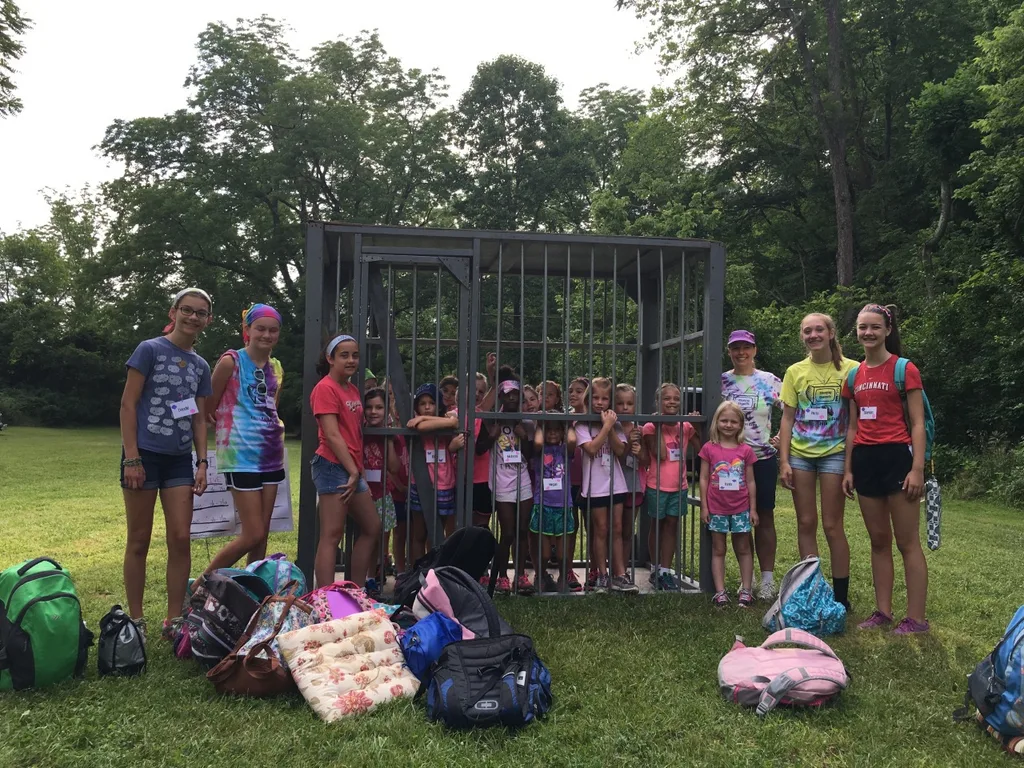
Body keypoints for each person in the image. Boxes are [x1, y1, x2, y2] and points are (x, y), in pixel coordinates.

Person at [119, 287, 213, 643]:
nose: (193, 317)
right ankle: (136, 620)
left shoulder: (201, 366)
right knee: (139, 539)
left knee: (181, 538)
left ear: (208, 320)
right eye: (187, 310)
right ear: (174, 312)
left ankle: (174, 619)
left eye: (200, 313)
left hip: (178, 460)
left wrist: (202, 462)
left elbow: (199, 418)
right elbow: (128, 405)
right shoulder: (149, 350)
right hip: (143, 456)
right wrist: (132, 457)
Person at [842, 304, 929, 634]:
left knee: (907, 542)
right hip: (865, 459)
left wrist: (917, 468)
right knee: (878, 541)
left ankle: (916, 619)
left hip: (897, 458)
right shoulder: (854, 375)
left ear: (888, 330)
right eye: (863, 327)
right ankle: (883, 611)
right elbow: (852, 427)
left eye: (875, 327)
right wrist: (848, 469)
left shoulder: (904, 369)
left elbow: (918, 423)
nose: (868, 333)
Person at [779, 313, 858, 611]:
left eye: (819, 330)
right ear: (802, 336)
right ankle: (810, 591)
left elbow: (855, 421)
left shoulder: (852, 369)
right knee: (806, 522)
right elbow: (787, 419)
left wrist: (849, 466)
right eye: (807, 331)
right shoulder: (795, 371)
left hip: (835, 453)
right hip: (800, 454)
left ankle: (840, 597)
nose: (813, 335)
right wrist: (784, 461)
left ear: (831, 333)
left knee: (832, 525)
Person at [205, 303, 286, 574]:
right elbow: (209, 407)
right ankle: (201, 584)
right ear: (247, 330)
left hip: (271, 454)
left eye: (273, 330)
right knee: (252, 533)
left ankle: (252, 588)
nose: (267, 335)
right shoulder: (231, 361)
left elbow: (272, 407)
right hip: (240, 455)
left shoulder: (276, 366)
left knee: (262, 534)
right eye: (260, 328)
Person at [309, 335, 381, 589]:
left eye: (355, 355)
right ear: (330, 359)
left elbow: (353, 433)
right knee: (332, 535)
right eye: (344, 355)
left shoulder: (351, 389)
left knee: (372, 527)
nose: (351, 360)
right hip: (332, 466)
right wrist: (353, 471)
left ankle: (355, 591)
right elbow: (332, 435)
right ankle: (326, 597)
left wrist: (357, 470)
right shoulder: (325, 388)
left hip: (351, 468)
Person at [721, 329, 783, 600]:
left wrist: (783, 437)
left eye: (746, 347)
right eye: (735, 348)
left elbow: (792, 411)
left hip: (762, 458)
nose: (741, 352)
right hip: (731, 461)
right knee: (740, 518)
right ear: (729, 352)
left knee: (765, 516)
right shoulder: (721, 381)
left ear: (754, 350)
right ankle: (748, 577)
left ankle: (767, 579)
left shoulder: (769, 380)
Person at [576, 377, 639, 594]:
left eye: (605, 399)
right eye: (595, 398)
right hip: (595, 485)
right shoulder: (582, 424)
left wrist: (610, 427)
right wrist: (606, 426)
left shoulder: (616, 425)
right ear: (588, 399)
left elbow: (620, 451)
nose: (600, 403)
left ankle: (620, 575)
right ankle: (602, 574)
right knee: (600, 529)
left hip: (616, 484)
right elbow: (592, 449)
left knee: (617, 528)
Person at [699, 401, 759, 607]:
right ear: (717, 422)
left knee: (743, 548)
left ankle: (746, 590)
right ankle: (720, 592)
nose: (728, 425)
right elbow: (703, 478)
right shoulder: (709, 448)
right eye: (724, 420)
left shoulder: (746, 450)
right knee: (718, 549)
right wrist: (705, 507)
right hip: (716, 508)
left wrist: (753, 509)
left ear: (741, 425)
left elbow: (750, 481)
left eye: (733, 421)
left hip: (741, 508)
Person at [643, 383, 700, 591]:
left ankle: (666, 571)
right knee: (657, 525)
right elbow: (660, 454)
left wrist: (698, 424)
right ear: (658, 402)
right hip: (656, 485)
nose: (672, 402)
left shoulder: (685, 426)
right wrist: (658, 424)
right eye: (667, 398)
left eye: (676, 398)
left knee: (671, 525)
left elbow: (701, 448)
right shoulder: (650, 427)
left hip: (680, 485)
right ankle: (655, 568)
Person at [407, 383, 464, 542]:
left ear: (439, 405)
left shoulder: (446, 416)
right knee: (419, 533)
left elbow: (455, 422)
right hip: (420, 482)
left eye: (431, 403)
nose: (427, 407)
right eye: (422, 403)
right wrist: (422, 419)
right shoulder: (414, 420)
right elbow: (422, 427)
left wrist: (424, 417)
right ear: (416, 406)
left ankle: (435, 559)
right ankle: (420, 559)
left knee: (438, 533)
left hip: (443, 483)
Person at [530, 413, 576, 592]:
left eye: (557, 430)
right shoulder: (539, 450)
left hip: (563, 506)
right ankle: (540, 576)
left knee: (563, 552)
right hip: (543, 505)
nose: (553, 433)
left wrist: (568, 423)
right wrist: (540, 424)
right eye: (549, 429)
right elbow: (538, 442)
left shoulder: (565, 451)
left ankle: (563, 578)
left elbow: (572, 440)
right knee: (546, 553)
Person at [362, 386, 402, 591]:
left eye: (379, 407)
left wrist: (388, 439)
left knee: (378, 539)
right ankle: (359, 578)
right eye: (369, 407)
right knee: (362, 537)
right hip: (361, 493)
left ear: (387, 409)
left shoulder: (390, 434)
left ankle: (372, 576)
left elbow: (394, 467)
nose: (373, 411)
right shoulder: (360, 431)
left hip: (381, 493)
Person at [614, 383, 647, 578]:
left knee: (627, 531)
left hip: (634, 486)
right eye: (620, 403)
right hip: (613, 487)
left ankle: (623, 571)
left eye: (629, 403)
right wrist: (627, 441)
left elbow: (646, 461)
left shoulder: (640, 430)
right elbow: (617, 456)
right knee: (612, 531)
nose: (625, 408)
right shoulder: (611, 428)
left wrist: (640, 451)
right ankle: (607, 570)